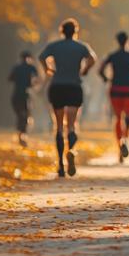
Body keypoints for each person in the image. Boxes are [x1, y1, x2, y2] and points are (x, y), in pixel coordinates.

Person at [39, 19, 97, 177]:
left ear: (62, 31)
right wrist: (84, 71)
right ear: (75, 31)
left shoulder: (54, 46)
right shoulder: (81, 46)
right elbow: (93, 58)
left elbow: (41, 57)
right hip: (74, 86)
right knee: (71, 125)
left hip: (57, 86)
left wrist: (48, 70)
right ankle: (71, 150)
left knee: (58, 126)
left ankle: (60, 164)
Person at [100, 31, 129, 164]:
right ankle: (125, 139)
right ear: (127, 41)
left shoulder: (112, 56)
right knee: (128, 116)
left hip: (115, 89)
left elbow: (101, 69)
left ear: (117, 41)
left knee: (118, 118)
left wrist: (106, 79)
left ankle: (120, 145)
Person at [8, 51, 41, 147]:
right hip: (26, 94)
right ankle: (23, 135)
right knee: (26, 114)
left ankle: (20, 135)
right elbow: (38, 79)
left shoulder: (16, 68)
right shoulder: (31, 67)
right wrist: (32, 84)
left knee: (20, 115)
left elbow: (10, 79)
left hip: (16, 95)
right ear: (29, 58)